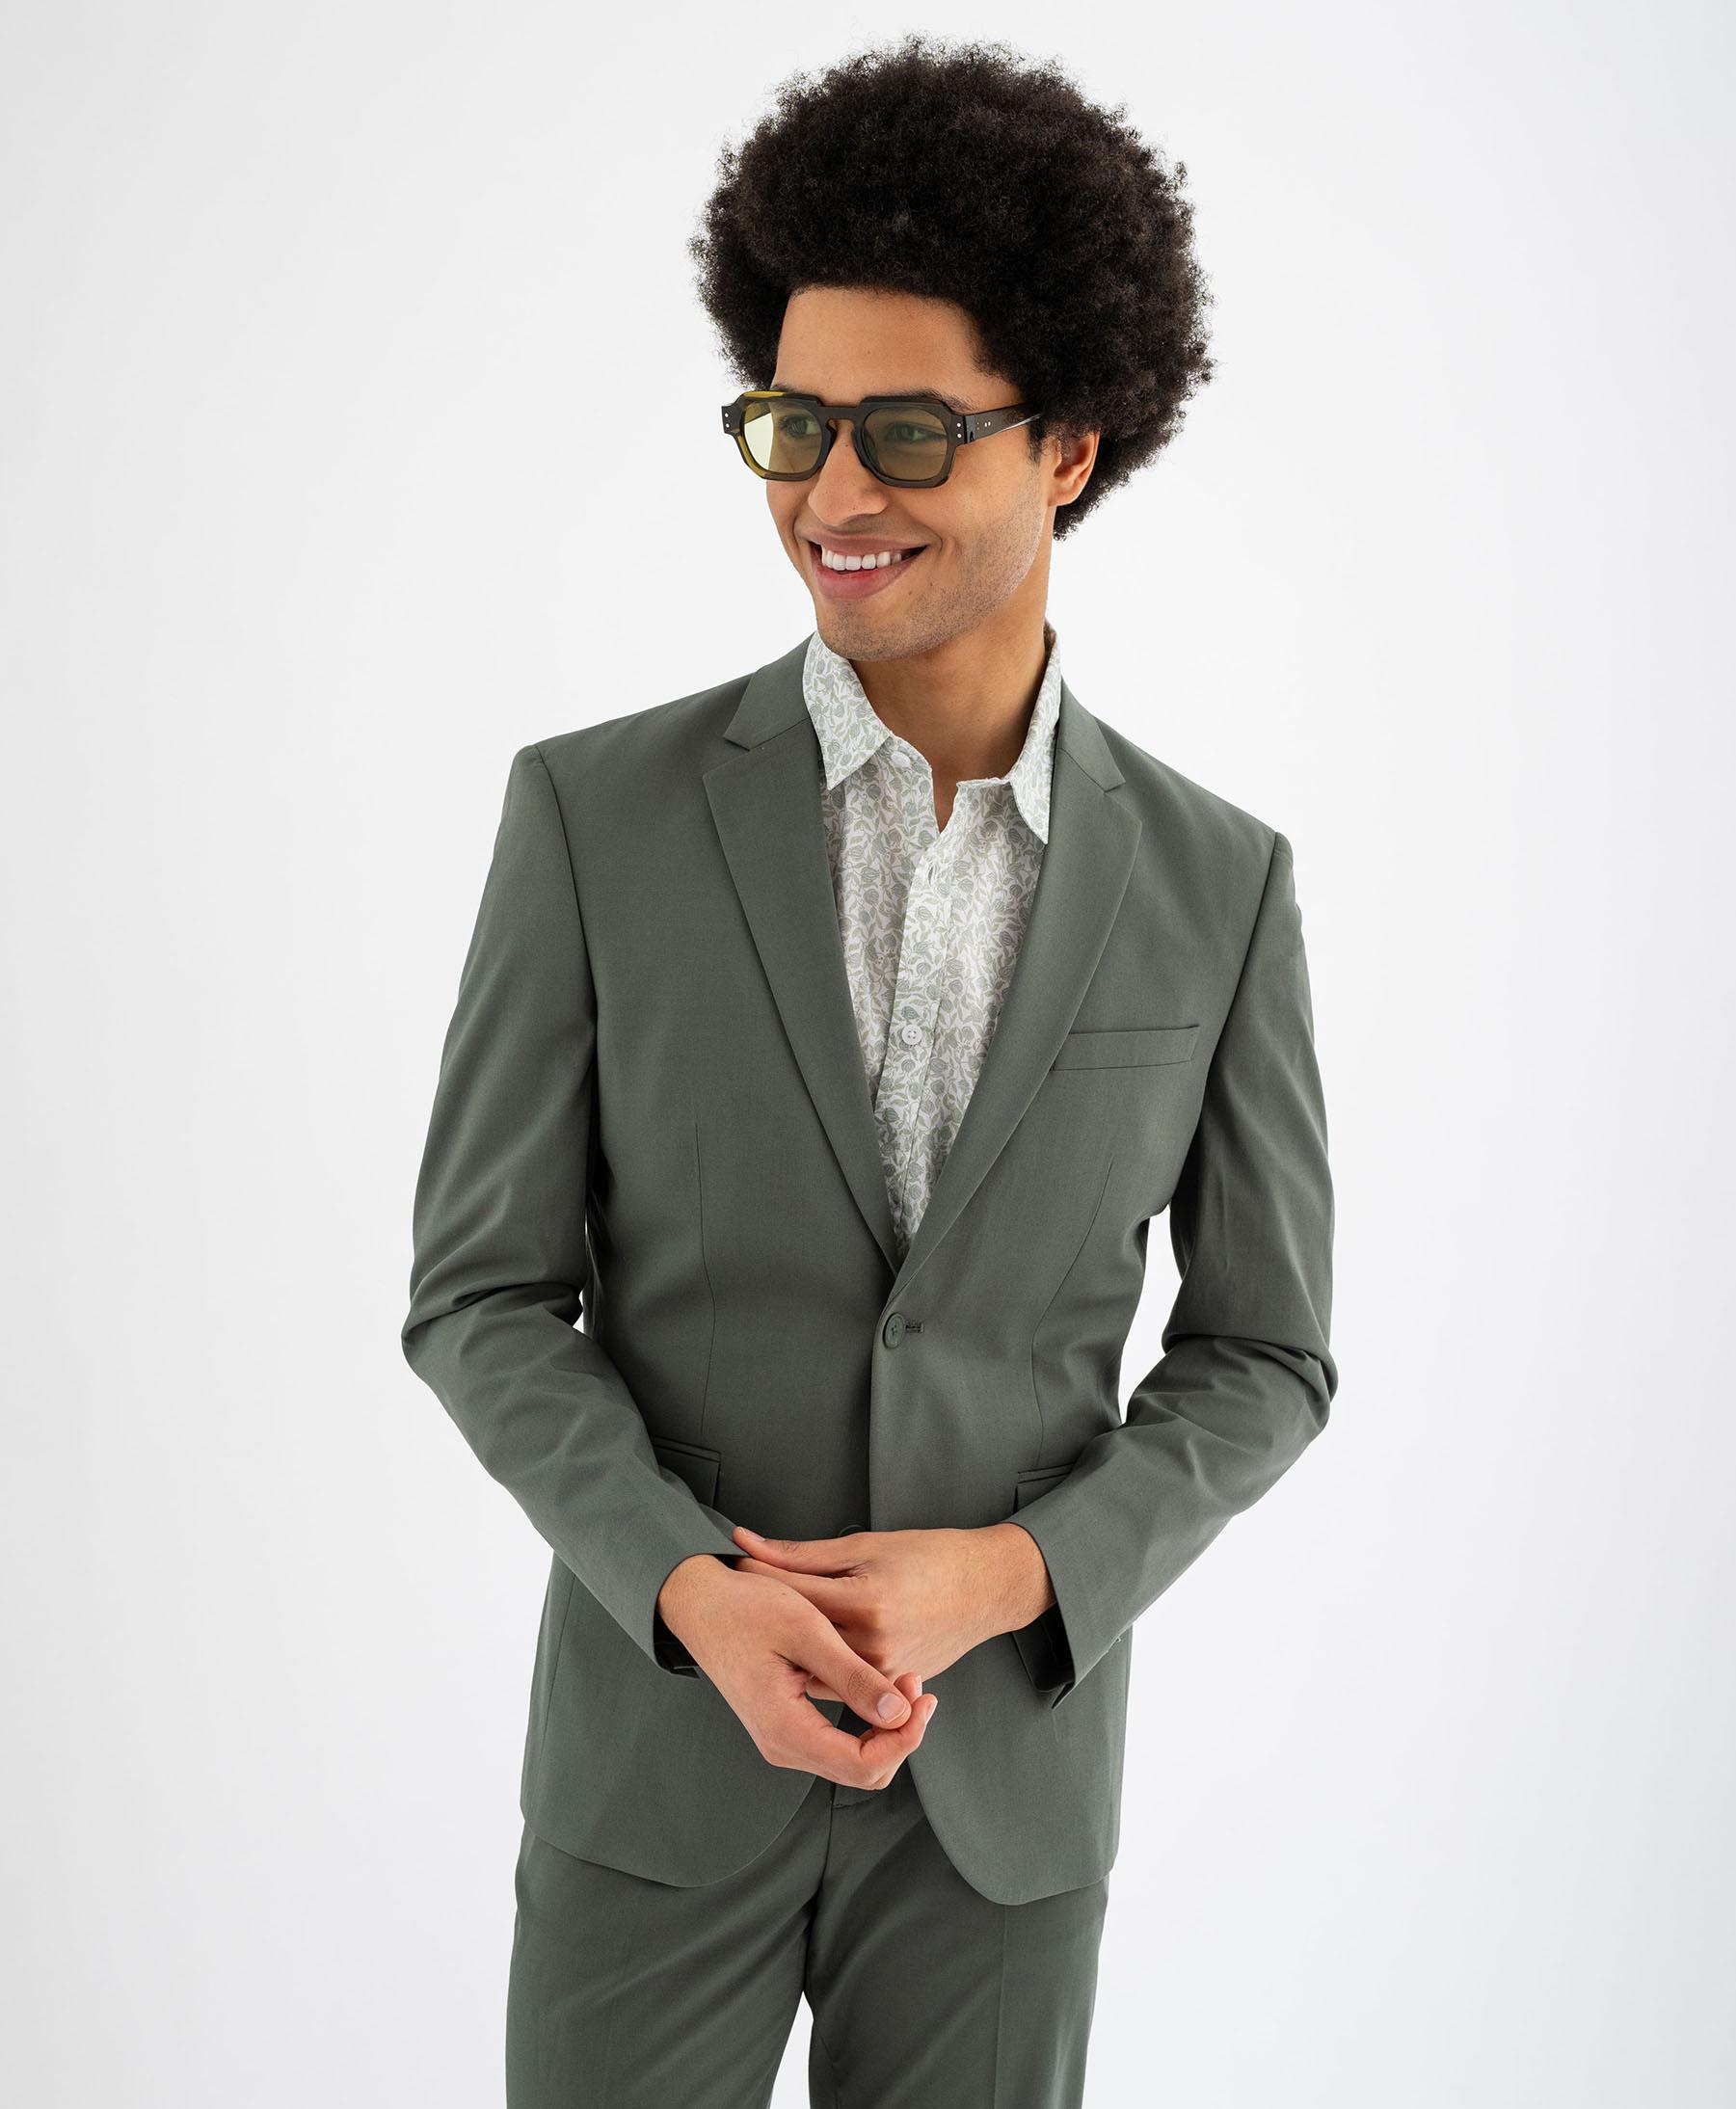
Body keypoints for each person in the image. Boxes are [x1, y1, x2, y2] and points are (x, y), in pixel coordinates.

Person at [402, 34, 1338, 2108]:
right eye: (792, 424)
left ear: (1067, 447)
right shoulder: (591, 818)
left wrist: (1015, 1574)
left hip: (1004, 1808)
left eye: (908, 431)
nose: (831, 495)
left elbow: (1266, 1352)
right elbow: (477, 1297)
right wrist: (688, 1592)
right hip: (658, 1774)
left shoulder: (1221, 884)